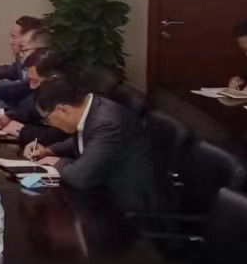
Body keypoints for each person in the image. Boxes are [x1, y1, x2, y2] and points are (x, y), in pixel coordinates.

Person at [24, 75, 160, 213]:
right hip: (104, 192)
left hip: (126, 207)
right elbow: (87, 138)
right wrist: (49, 150)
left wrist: (56, 162)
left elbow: (80, 177)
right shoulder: (91, 106)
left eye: (47, 119)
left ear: (62, 110)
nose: (50, 124)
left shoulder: (107, 123)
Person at [0, 49, 73, 145]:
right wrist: (7, 117)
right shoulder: (41, 92)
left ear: (54, 79)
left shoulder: (70, 101)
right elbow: (28, 110)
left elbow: (55, 138)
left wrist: (20, 130)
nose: (31, 87)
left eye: (35, 81)